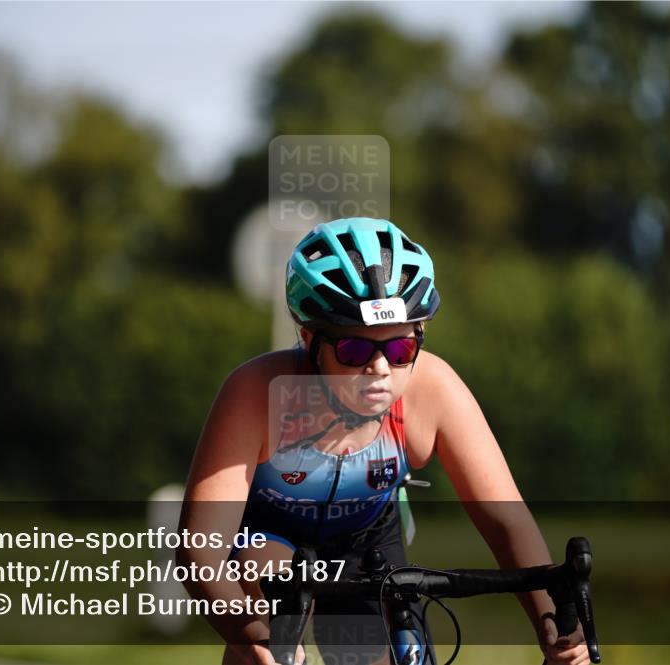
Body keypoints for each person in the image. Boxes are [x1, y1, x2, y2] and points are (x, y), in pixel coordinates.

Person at [178, 217, 589, 665]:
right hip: (270, 534)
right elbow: (199, 548)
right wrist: (252, 639)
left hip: (367, 538)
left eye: (399, 351)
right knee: (273, 614)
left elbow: (504, 520)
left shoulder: (433, 390)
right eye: (354, 351)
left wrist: (556, 629)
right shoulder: (256, 393)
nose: (378, 369)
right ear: (309, 338)